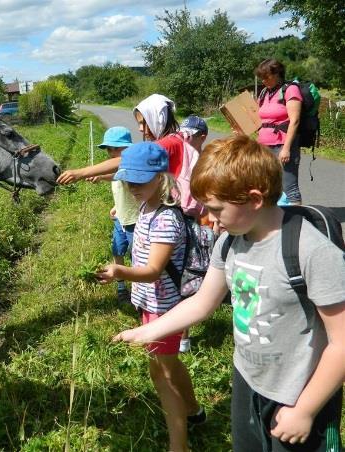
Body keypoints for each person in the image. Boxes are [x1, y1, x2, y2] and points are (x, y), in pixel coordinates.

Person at [113, 135, 345, 452]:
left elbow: (342, 341)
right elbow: (202, 302)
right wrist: (145, 331)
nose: (208, 219)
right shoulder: (230, 241)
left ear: (254, 199)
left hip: (299, 393)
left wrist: (305, 410)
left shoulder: (310, 250)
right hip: (248, 382)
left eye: (216, 209)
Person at [96, 142, 204, 452]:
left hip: (166, 309)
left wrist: (119, 273)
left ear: (159, 177)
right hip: (150, 304)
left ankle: (178, 446)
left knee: (163, 375)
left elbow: (154, 270)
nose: (132, 188)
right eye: (128, 181)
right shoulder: (146, 207)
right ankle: (195, 411)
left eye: (139, 181)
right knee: (163, 366)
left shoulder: (166, 220)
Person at [92, 126, 138, 303]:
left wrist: (101, 176)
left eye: (116, 148)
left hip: (135, 220)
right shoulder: (115, 167)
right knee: (117, 250)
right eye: (109, 149)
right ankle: (121, 286)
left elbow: (120, 176)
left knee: (137, 256)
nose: (111, 152)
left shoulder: (132, 166)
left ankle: (139, 289)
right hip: (121, 218)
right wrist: (116, 207)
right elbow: (122, 191)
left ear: (128, 148)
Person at [177, 115, 209, 353]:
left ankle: (183, 337)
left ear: (202, 137)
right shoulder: (179, 156)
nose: (185, 138)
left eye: (190, 135)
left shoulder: (204, 161)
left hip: (195, 222)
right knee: (174, 273)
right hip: (174, 217)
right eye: (183, 134)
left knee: (189, 274)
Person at [255, 58, 303, 205]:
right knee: (266, 185)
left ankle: (297, 221)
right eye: (261, 77)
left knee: (289, 187)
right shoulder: (264, 92)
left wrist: (286, 149)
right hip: (264, 146)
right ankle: (275, 220)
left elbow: (294, 121)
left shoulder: (290, 89)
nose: (263, 80)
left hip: (282, 145)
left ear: (277, 74)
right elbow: (257, 119)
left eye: (266, 77)